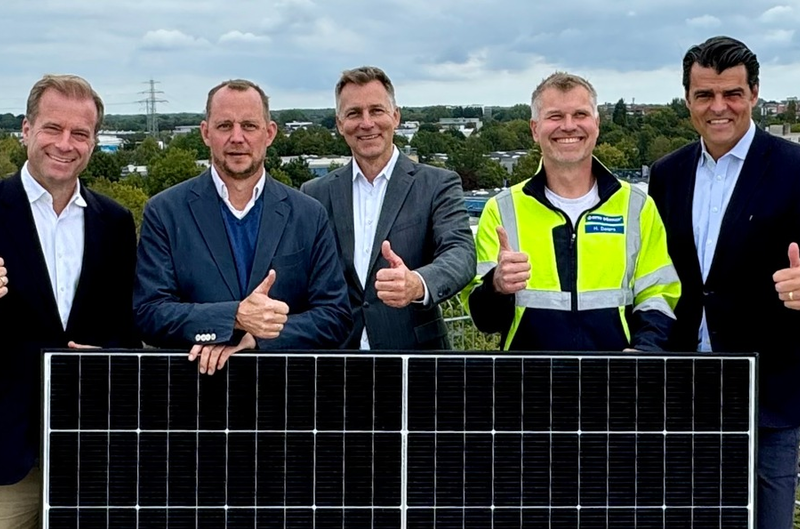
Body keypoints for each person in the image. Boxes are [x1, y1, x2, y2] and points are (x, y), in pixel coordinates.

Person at [648, 36, 800, 529]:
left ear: (754, 93)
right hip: (685, 389)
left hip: (768, 393)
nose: (719, 107)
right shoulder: (667, 174)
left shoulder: (794, 167)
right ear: (687, 100)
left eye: (732, 93)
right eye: (705, 95)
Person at [134, 79, 351, 372]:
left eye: (249, 126)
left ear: (269, 133)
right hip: (195, 387)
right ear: (205, 133)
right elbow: (149, 314)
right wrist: (233, 318)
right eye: (225, 126)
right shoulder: (165, 212)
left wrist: (257, 337)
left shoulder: (308, 214)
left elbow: (335, 317)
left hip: (285, 390)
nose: (237, 138)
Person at [0, 75, 138, 529]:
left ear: (94, 142)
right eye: (52, 128)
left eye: (80, 133)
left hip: (88, 451)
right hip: (6, 460)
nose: (65, 144)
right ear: (26, 130)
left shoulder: (115, 223)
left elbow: (127, 331)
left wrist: (108, 356)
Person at [466, 72, 680, 351]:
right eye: (555, 116)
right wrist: (496, 286)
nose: (568, 126)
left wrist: (645, 349)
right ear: (534, 129)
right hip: (530, 376)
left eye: (580, 114)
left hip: (615, 374)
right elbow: (484, 320)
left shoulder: (637, 206)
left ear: (596, 125)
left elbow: (658, 295)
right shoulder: (501, 209)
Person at [301, 66, 475, 349]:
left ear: (396, 116)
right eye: (354, 113)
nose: (366, 123)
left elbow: (461, 253)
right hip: (339, 356)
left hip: (415, 356)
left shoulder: (437, 184)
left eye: (377, 110)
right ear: (339, 124)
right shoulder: (315, 193)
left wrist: (417, 283)